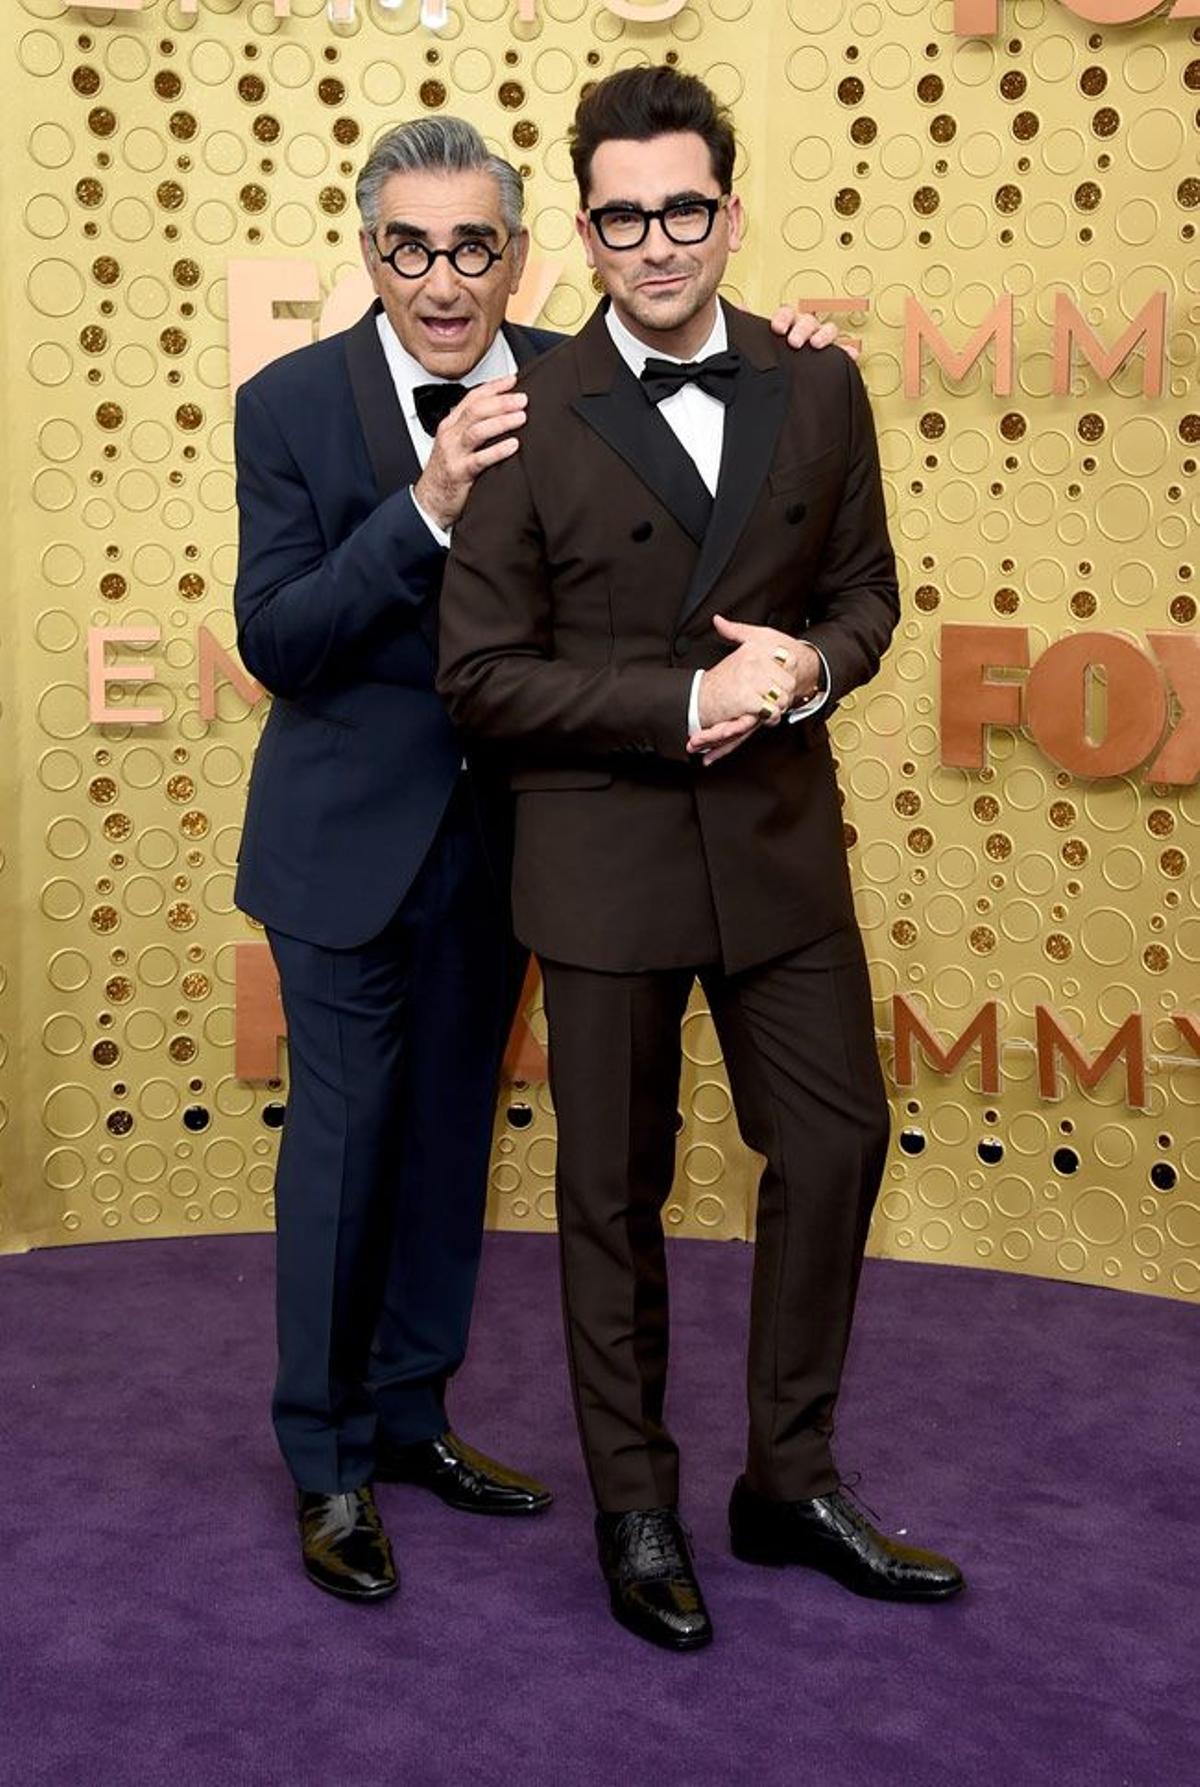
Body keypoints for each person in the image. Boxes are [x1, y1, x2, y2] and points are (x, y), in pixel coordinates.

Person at [232, 114, 843, 1604]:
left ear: (520, 249)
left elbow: (722, 421)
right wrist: (426, 508)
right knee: (344, 1144)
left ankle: (412, 1411)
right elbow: (280, 638)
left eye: (473, 246)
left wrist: (792, 346)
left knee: (452, 1142)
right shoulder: (292, 404)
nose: (443, 280)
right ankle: (325, 1462)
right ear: (369, 251)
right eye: (409, 247)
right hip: (345, 849)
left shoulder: (582, 377)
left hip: (518, 842)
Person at [437, 68, 964, 1652]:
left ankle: (787, 1480)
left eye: (684, 209)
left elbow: (869, 589)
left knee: (840, 1146)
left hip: (782, 855)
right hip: (601, 861)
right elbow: (479, 677)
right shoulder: (517, 416)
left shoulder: (820, 385)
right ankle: (639, 1502)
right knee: (612, 1194)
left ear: (729, 213)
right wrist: (682, 697)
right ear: (584, 237)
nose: (657, 242)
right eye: (622, 216)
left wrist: (810, 669)